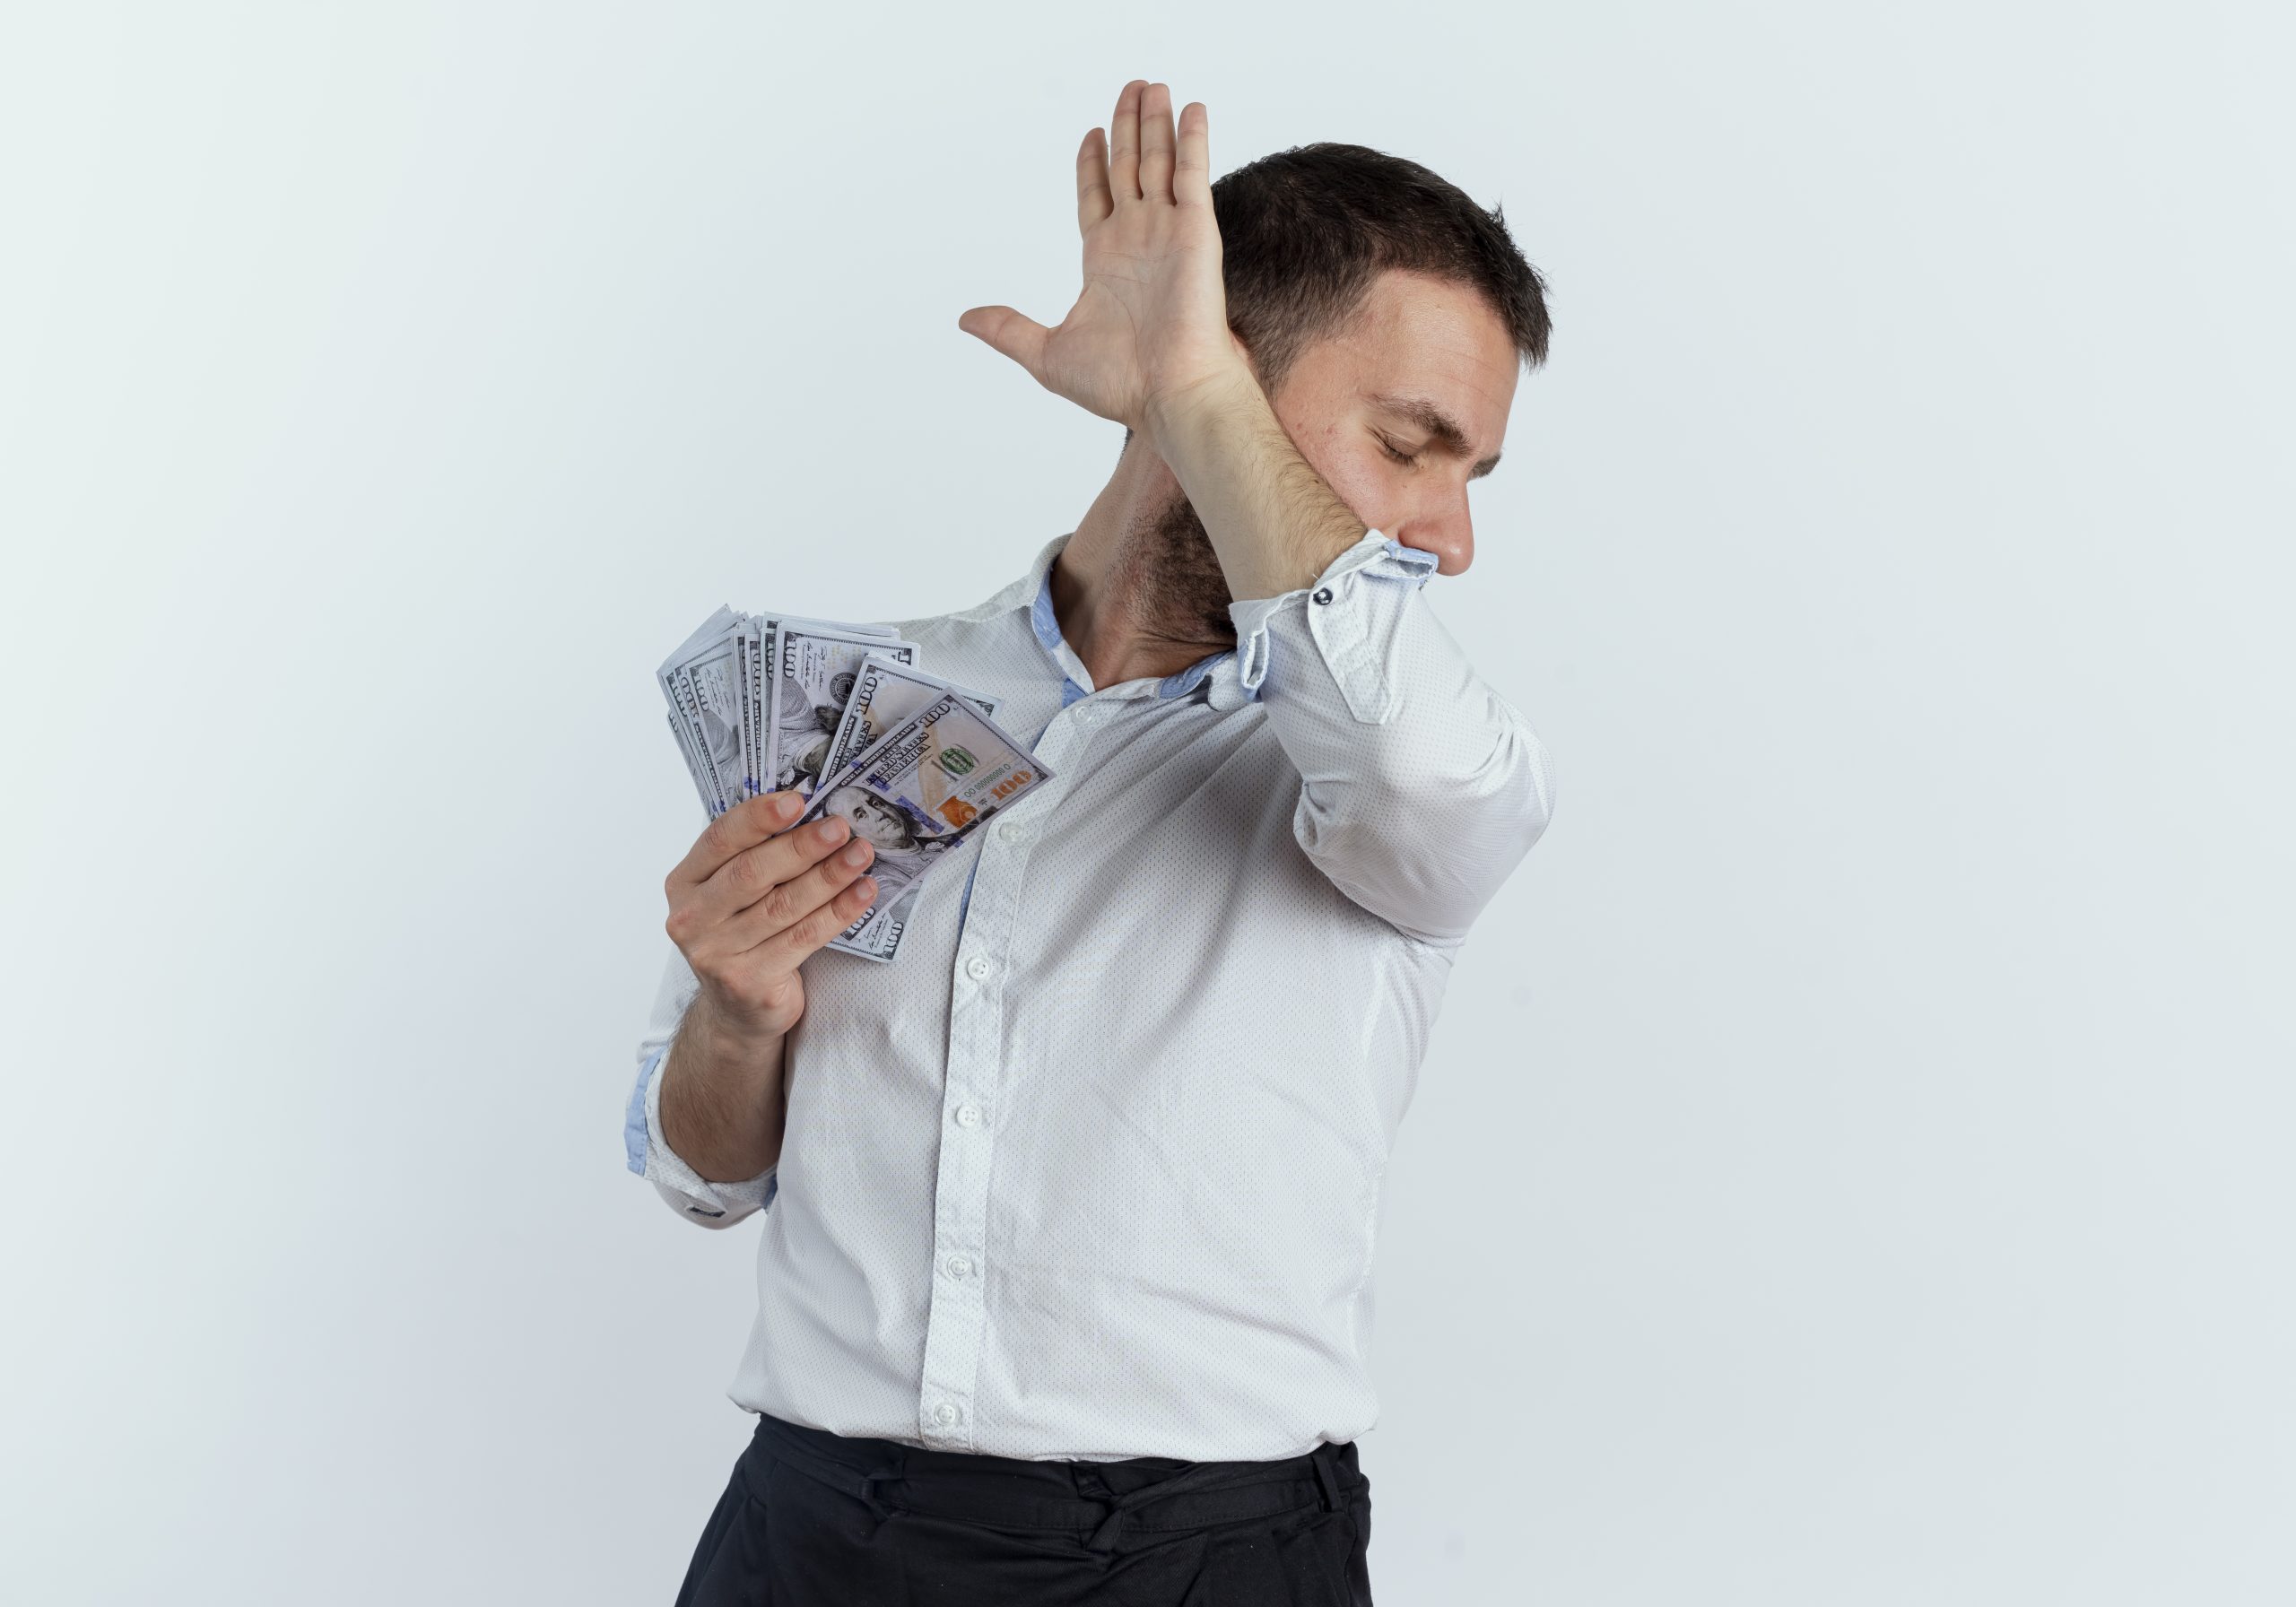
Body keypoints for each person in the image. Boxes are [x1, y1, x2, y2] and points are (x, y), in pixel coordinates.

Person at [624, 79, 1556, 1605]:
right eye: (1413, 445)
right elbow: (700, 1175)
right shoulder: (874, 704)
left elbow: (1411, 760)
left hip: (1206, 1559)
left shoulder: (1396, 772)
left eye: (1472, 472)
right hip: (809, 1529)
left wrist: (1189, 393)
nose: (1451, 537)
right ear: (1234, 372)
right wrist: (738, 1016)